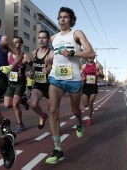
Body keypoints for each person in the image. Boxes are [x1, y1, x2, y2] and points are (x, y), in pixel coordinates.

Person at [45, 7, 95, 164]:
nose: (62, 20)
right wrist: (48, 63)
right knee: (53, 110)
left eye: (66, 17)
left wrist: (73, 53)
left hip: (73, 78)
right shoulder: (53, 38)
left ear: (71, 20)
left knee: (75, 110)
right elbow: (51, 58)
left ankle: (79, 121)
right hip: (56, 77)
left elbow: (91, 53)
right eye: (60, 17)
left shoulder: (77, 34)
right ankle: (58, 149)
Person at [0, 12, 23, 137]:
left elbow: (19, 54)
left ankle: (4, 124)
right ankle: (8, 133)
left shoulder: (2, 39)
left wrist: (10, 66)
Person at [3, 37, 33, 133]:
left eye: (17, 42)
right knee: (7, 105)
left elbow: (32, 66)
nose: (15, 44)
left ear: (21, 44)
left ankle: (20, 124)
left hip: (20, 82)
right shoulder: (8, 55)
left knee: (15, 104)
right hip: (11, 82)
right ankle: (23, 100)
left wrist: (30, 72)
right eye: (13, 42)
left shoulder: (24, 56)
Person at [28, 30, 53, 130]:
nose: (41, 40)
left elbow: (56, 67)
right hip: (38, 83)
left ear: (47, 40)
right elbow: (34, 65)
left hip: (50, 85)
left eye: (44, 38)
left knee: (52, 110)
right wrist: (31, 73)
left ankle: (54, 127)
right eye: (39, 38)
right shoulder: (34, 52)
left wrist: (49, 70)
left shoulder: (51, 53)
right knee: (33, 105)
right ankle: (42, 115)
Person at [81, 58, 104, 126]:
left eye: (91, 57)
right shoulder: (83, 66)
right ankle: (89, 113)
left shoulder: (97, 65)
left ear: (93, 57)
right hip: (86, 86)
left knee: (90, 103)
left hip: (93, 87)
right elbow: (79, 73)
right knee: (85, 104)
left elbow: (103, 76)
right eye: (88, 57)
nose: (90, 58)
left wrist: (99, 74)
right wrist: (81, 77)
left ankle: (89, 119)